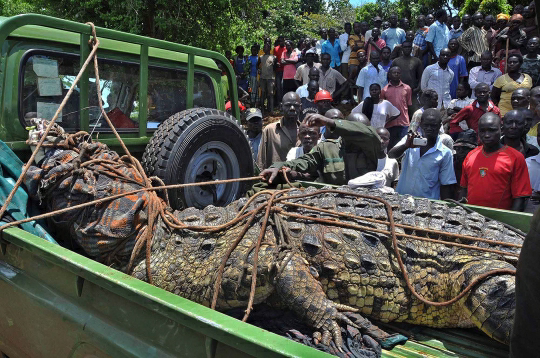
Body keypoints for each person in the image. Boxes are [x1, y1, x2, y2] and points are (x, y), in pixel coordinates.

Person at [260, 113, 384, 185]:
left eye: (360, 133)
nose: (358, 137)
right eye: (354, 132)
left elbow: (371, 135)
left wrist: (330, 122)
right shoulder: (327, 147)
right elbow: (302, 162)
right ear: (346, 131)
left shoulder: (370, 147)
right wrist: (277, 166)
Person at [460, 112, 531, 210]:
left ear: (501, 130)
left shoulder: (516, 158)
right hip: (472, 218)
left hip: (499, 221)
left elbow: (520, 197)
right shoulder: (470, 155)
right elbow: (464, 189)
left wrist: (511, 221)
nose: (487, 135)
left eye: (491, 130)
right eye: (482, 131)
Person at [389, 109, 456, 200]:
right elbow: (391, 155)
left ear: (439, 126)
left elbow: (446, 184)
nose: (429, 128)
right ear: (420, 125)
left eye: (433, 126)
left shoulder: (445, 153)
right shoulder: (409, 140)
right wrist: (406, 146)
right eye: (426, 125)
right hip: (402, 199)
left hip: (427, 204)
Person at [257, 92, 301, 170]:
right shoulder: (270, 130)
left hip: (300, 180)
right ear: (281, 107)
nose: (292, 108)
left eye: (296, 106)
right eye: (288, 105)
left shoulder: (307, 132)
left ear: (301, 108)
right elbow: (261, 162)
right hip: (275, 179)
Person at [381, 66, 412, 147]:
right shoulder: (384, 90)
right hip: (390, 123)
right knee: (391, 146)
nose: (396, 74)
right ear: (389, 75)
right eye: (394, 73)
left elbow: (409, 105)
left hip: (404, 122)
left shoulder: (407, 88)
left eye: (398, 73)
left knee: (404, 145)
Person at [392, 41, 423, 109]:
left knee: (413, 112)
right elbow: (390, 76)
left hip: (412, 92)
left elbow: (421, 76)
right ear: (402, 48)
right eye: (405, 47)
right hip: (398, 91)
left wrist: (418, 88)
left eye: (409, 47)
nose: (407, 49)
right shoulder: (396, 61)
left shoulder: (417, 61)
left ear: (411, 49)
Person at [452, 130, 478, 199]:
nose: (461, 151)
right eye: (458, 148)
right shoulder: (451, 164)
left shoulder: (478, 166)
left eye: (465, 148)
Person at [259, 43, 276, 113]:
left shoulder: (273, 57)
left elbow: (275, 68)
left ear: (269, 48)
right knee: (263, 94)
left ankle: (271, 110)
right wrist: (259, 70)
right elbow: (258, 65)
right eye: (264, 47)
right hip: (263, 78)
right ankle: (262, 110)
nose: (264, 48)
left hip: (270, 78)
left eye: (266, 47)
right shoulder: (261, 57)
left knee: (271, 94)